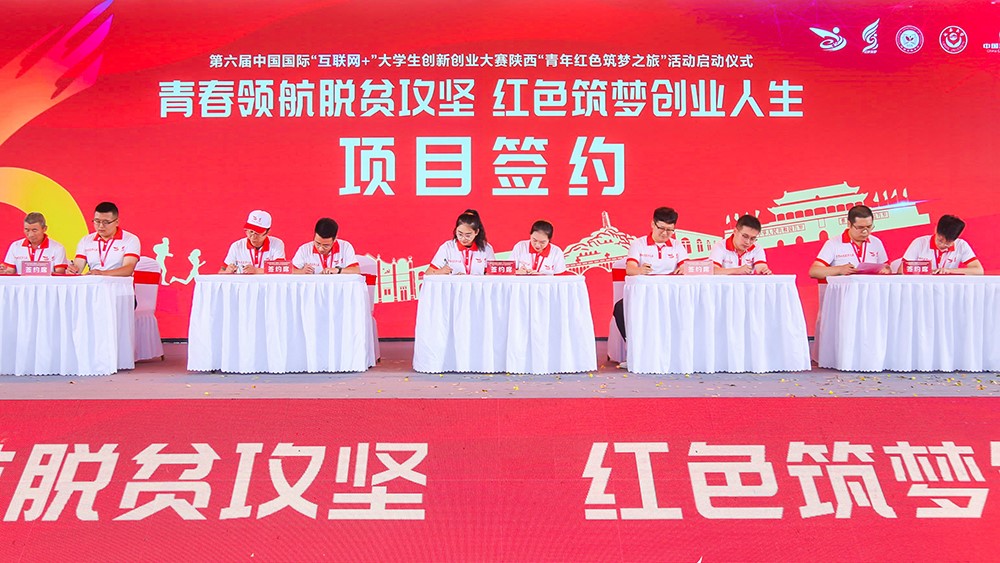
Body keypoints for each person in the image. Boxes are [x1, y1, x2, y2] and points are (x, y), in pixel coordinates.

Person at [613, 207, 689, 360]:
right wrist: (640, 270)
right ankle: (634, 350)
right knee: (620, 308)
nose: (665, 234)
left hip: (670, 294)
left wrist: (684, 268)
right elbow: (630, 269)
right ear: (653, 224)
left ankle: (679, 353)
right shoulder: (638, 244)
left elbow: (686, 266)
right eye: (661, 228)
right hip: (644, 294)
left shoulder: (677, 245)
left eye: (670, 230)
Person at [808, 205, 890, 280]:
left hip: (870, 289)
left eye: (869, 227)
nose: (865, 231)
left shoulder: (876, 242)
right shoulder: (833, 243)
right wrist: (839, 270)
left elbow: (887, 267)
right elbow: (814, 271)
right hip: (845, 290)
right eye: (860, 227)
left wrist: (886, 270)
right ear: (849, 224)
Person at [67, 202, 140, 276]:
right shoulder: (86, 240)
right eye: (97, 221)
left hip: (118, 282)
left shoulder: (130, 239)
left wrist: (101, 273)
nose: (101, 226)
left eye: (106, 222)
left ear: (117, 222)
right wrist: (73, 270)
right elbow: (78, 267)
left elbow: (128, 270)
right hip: (93, 282)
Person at [901, 215, 984, 275]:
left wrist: (949, 271)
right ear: (936, 230)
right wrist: (926, 271)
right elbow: (901, 270)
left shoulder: (961, 245)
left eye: (947, 244)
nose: (942, 245)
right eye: (940, 241)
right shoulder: (920, 243)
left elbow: (979, 271)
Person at [425, 209, 495, 275]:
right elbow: (428, 273)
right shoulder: (447, 248)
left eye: (468, 235)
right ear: (456, 230)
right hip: (453, 284)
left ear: (476, 232)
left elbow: (493, 275)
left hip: (477, 284)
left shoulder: (486, 249)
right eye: (460, 234)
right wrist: (441, 272)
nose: (463, 238)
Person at [220, 210, 285, 274]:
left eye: (257, 233)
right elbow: (221, 271)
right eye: (251, 231)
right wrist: (227, 271)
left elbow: (281, 269)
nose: (253, 236)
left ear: (268, 232)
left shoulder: (276, 244)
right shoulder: (237, 246)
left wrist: (256, 271)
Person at [1, 212, 68, 274]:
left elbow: (60, 273)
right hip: (22, 283)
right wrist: (4, 271)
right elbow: (10, 270)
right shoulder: (15, 246)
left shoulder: (57, 248)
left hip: (46, 283)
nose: (31, 235)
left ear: (44, 229)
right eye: (27, 230)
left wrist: (40, 275)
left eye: (34, 230)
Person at [292, 217, 361, 274]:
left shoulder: (345, 247)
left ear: (335, 239)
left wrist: (338, 270)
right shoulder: (304, 249)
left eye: (326, 245)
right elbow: (290, 271)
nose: (321, 248)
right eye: (318, 243)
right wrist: (302, 272)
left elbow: (356, 270)